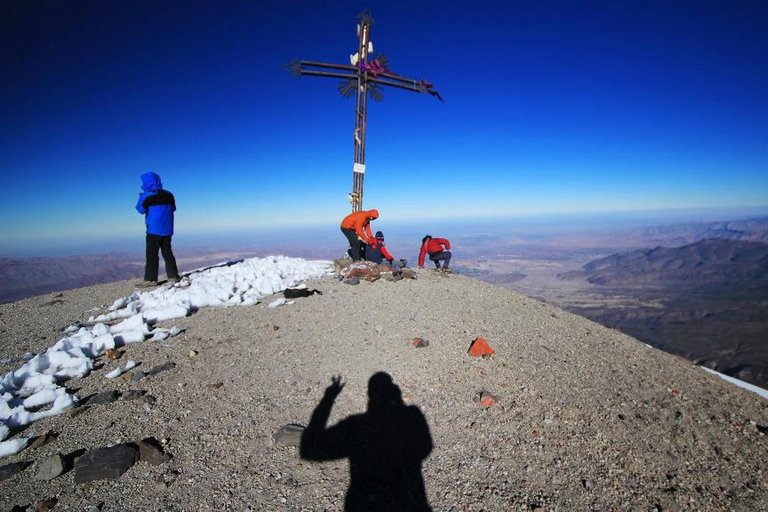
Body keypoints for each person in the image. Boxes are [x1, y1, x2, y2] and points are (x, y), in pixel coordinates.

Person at [301, 373, 433, 511]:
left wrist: (328, 398)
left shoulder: (356, 426)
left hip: (364, 502)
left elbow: (309, 449)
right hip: (409, 500)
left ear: (369, 397)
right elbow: (426, 447)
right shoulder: (411, 415)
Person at [135, 172, 179, 287]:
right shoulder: (169, 194)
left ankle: (150, 279)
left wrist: (142, 196)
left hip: (153, 230)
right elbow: (173, 208)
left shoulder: (146, 195)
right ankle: (173, 276)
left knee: (152, 254)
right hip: (168, 229)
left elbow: (140, 210)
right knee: (167, 252)